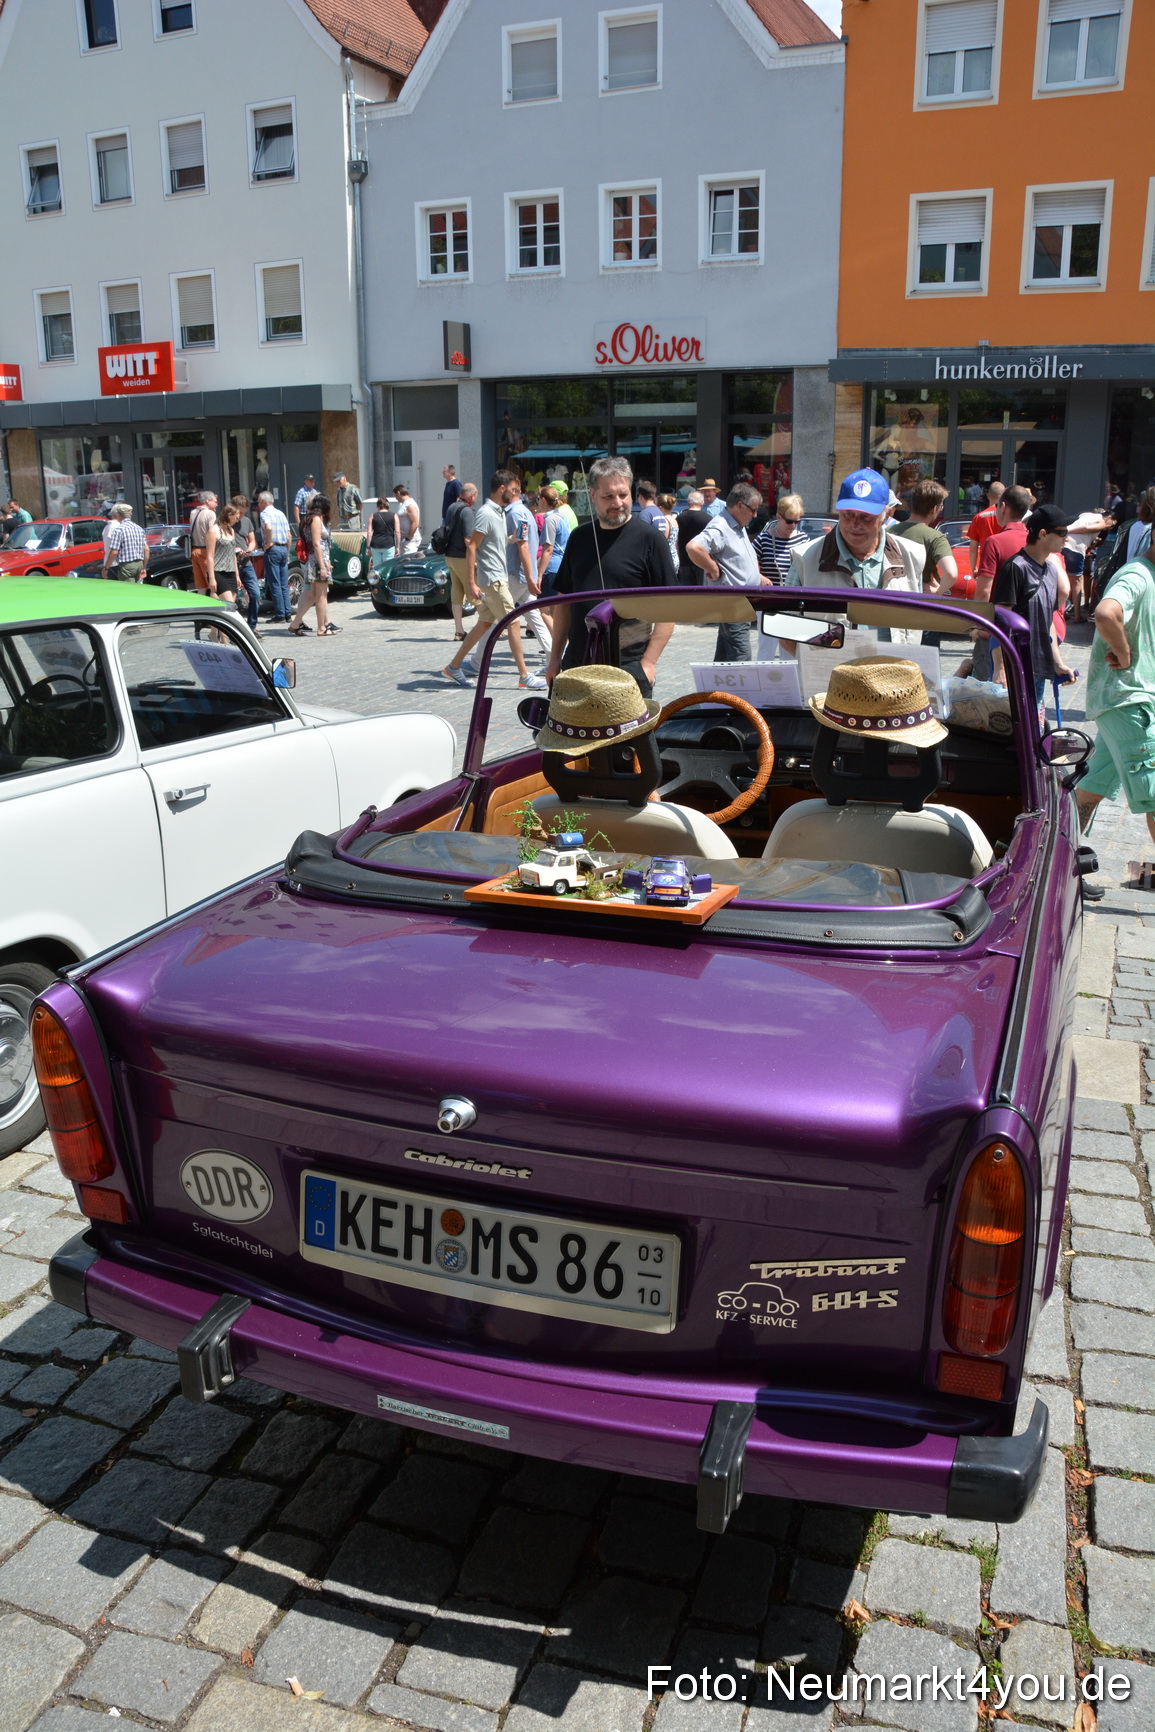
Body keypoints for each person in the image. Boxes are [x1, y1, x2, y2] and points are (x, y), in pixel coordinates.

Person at [543, 454, 676, 699]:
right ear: (592, 495)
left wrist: (649, 663)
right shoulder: (579, 537)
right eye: (608, 496)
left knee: (627, 738)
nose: (617, 502)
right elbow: (563, 605)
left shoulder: (650, 539)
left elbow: (669, 609)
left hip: (629, 666)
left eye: (623, 494)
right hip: (578, 663)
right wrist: (554, 659)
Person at [1076, 527, 1155, 899]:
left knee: (1091, 787)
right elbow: (1106, 613)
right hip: (1128, 702)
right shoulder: (1137, 574)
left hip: (1121, 703)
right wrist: (1124, 654)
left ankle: (1060, 865)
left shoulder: (1146, 575)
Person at [442, 470, 542, 689]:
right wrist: (471, 582)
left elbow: (491, 543)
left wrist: (511, 539)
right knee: (514, 623)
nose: (517, 495)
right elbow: (472, 547)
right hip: (493, 580)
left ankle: (453, 666)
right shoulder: (487, 513)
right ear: (503, 488)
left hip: (497, 578)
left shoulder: (499, 512)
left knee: (484, 624)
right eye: (514, 490)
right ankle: (524, 676)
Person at [786, 468, 927, 604]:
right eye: (848, 514)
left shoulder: (912, 557)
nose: (855, 524)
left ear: (886, 516)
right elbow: (787, 620)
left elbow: (917, 619)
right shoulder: (805, 558)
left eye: (866, 517)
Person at [990, 505, 1076, 706]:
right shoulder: (1015, 567)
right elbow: (1000, 620)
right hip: (1014, 667)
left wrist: (1057, 663)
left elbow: (1048, 622)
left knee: (1034, 730)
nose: (1067, 538)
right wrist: (1000, 667)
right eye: (1062, 532)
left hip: (1038, 667)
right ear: (1043, 534)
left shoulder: (1051, 570)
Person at [686, 482, 766, 661]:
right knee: (741, 657)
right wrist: (713, 569)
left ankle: (716, 688)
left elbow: (736, 559)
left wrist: (756, 575)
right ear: (739, 505)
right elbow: (693, 547)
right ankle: (737, 690)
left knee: (724, 658)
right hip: (733, 605)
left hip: (739, 604)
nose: (755, 515)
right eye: (753, 510)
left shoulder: (737, 524)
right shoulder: (721, 526)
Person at [971, 485, 1033, 680]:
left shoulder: (995, 542)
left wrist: (978, 626)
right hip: (1029, 625)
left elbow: (984, 591)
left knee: (990, 688)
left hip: (999, 627)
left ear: (1003, 507)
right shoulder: (1035, 541)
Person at [505, 480, 551, 660]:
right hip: (523, 575)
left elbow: (523, 546)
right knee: (535, 617)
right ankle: (553, 655)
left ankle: (477, 661)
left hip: (517, 575)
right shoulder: (523, 511)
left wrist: (530, 577)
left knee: (493, 617)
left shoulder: (516, 513)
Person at [893, 479, 958, 594]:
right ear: (934, 509)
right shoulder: (935, 538)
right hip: (920, 602)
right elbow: (951, 573)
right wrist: (937, 593)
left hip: (891, 598)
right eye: (941, 506)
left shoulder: (888, 532)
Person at [289, 494, 339, 636]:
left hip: (316, 559)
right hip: (317, 561)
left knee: (312, 594)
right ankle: (322, 627)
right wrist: (323, 566)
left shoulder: (308, 518)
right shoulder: (316, 519)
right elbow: (317, 544)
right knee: (321, 596)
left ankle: (296, 623)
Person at [441, 483, 476, 641]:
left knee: (456, 593)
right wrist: (476, 559)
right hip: (462, 557)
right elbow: (468, 539)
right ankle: (488, 629)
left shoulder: (451, 507)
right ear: (471, 496)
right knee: (474, 592)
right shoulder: (467, 511)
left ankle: (459, 630)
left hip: (450, 556)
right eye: (475, 496)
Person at [753, 492, 809, 584]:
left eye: (797, 522)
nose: (793, 526)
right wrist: (759, 577)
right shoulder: (764, 539)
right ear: (778, 516)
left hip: (795, 596)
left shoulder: (803, 539)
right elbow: (746, 563)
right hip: (770, 596)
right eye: (789, 521)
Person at [257, 491, 293, 623]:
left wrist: (268, 542)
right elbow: (289, 536)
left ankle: (280, 614)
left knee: (275, 583)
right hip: (283, 548)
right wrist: (288, 552)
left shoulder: (265, 513)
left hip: (273, 550)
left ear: (263, 501)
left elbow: (268, 527)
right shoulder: (281, 513)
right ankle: (288, 613)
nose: (258, 504)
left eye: (259, 502)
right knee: (284, 584)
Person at [231, 495, 262, 633]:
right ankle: (232, 629)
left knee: (255, 594)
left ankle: (252, 626)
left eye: (244, 512)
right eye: (240, 512)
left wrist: (249, 549)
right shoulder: (227, 522)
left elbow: (253, 540)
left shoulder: (247, 521)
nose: (241, 515)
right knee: (231, 598)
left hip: (245, 561)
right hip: (231, 564)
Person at [101, 503, 148, 583]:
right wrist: (144, 567)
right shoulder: (139, 528)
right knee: (138, 590)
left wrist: (106, 568)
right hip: (139, 563)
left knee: (128, 591)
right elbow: (146, 549)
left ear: (118, 514)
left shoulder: (119, 529)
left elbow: (114, 552)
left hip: (126, 566)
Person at [537, 485, 570, 598]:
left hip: (551, 568)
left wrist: (539, 575)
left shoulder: (550, 520)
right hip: (561, 567)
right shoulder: (562, 516)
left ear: (543, 499)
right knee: (554, 609)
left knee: (543, 611)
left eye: (538, 498)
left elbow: (548, 550)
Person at [205, 502, 241, 604]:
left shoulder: (231, 531)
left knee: (228, 606)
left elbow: (233, 554)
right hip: (218, 571)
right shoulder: (213, 530)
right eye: (236, 518)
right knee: (230, 605)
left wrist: (237, 575)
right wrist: (212, 578)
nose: (237, 521)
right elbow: (210, 556)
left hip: (231, 571)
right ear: (229, 515)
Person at [966, 480, 1006, 571]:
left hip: (986, 565)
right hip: (1005, 564)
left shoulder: (979, 517)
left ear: (988, 496)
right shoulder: (1008, 516)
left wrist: (973, 568)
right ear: (1004, 496)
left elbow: (973, 548)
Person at [675, 489, 710, 583]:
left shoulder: (679, 518)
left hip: (684, 560)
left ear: (688, 502)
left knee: (687, 594)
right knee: (702, 593)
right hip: (702, 560)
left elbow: (676, 541)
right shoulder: (708, 519)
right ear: (702, 503)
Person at [189, 491, 217, 594]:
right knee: (212, 583)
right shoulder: (210, 514)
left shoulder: (193, 513)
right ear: (207, 501)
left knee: (201, 586)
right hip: (206, 551)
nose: (217, 504)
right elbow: (212, 533)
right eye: (215, 501)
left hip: (194, 551)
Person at [654, 493, 679, 569]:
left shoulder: (664, 521)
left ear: (660, 508)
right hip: (674, 557)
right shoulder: (674, 520)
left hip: (667, 558)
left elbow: (663, 541)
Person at [395, 483, 421, 554]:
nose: (395, 498)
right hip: (405, 539)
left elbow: (415, 523)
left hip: (410, 540)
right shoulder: (403, 504)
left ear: (398, 493)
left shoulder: (409, 505)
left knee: (408, 561)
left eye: (395, 495)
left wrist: (407, 538)